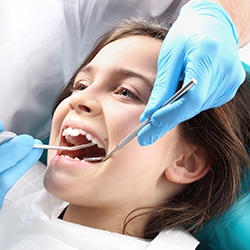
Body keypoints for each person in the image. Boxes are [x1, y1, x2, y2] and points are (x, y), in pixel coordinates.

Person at [0, 18, 249, 249]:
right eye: (81, 85)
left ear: (187, 162)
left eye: (127, 92)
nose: (79, 99)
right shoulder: (12, 188)